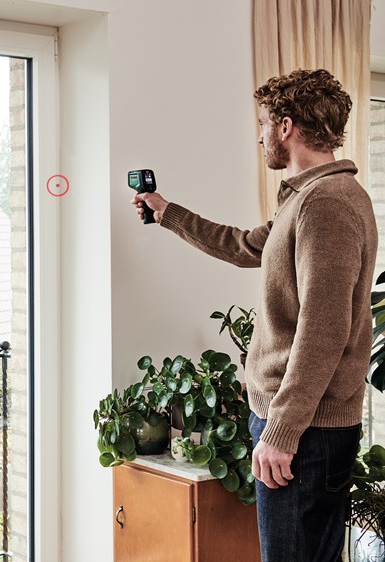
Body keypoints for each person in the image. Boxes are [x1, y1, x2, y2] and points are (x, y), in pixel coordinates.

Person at [132, 68, 377, 562]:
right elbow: (244, 246)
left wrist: (282, 430)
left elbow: (323, 329)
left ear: (286, 127)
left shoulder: (327, 204)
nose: (260, 136)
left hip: (305, 431)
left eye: (263, 124)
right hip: (301, 424)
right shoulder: (308, 198)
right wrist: (166, 212)